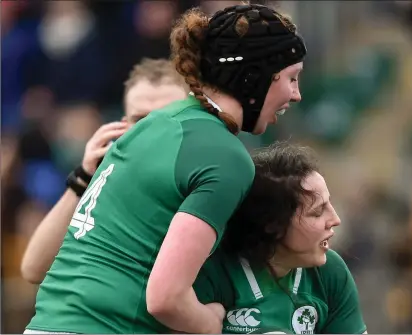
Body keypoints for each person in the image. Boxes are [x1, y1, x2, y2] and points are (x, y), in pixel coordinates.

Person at [24, 3, 306, 335]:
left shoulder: (151, 125)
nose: (297, 94)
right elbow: (165, 299)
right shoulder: (226, 157)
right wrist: (211, 321)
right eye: (291, 78)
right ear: (255, 75)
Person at [21, 58, 188, 285]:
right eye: (141, 119)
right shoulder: (105, 181)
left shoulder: (214, 175)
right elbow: (34, 269)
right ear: (123, 125)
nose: (153, 129)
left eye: (168, 117)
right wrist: (84, 178)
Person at [194, 142, 368, 334]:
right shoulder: (212, 271)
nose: (335, 220)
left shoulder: (330, 273)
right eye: (317, 212)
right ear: (273, 225)